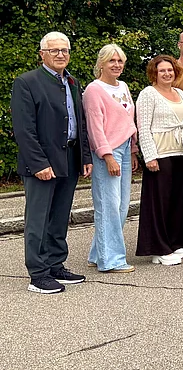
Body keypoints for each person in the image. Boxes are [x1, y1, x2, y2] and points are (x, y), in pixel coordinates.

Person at [13, 32, 93, 293]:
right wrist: (38, 164)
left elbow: (78, 122)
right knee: (38, 219)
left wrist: (84, 157)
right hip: (41, 163)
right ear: (42, 54)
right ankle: (38, 274)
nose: (61, 55)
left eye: (65, 50)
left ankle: (56, 264)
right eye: (54, 50)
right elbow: (24, 129)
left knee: (60, 217)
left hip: (68, 159)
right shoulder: (27, 82)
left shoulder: (72, 82)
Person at [83, 44, 139, 273]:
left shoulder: (123, 86)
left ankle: (98, 253)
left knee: (122, 205)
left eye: (120, 61)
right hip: (108, 151)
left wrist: (133, 149)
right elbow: (94, 127)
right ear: (101, 63)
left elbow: (127, 121)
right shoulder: (94, 90)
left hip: (125, 148)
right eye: (111, 61)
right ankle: (111, 260)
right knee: (108, 206)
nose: (116, 65)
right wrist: (107, 156)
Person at [136, 55, 183, 266]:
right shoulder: (148, 94)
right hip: (159, 154)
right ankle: (158, 249)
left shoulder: (179, 93)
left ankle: (175, 242)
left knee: (176, 201)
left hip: (179, 152)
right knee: (158, 202)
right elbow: (143, 127)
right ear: (155, 73)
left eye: (170, 70)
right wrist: (149, 156)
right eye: (162, 71)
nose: (167, 73)